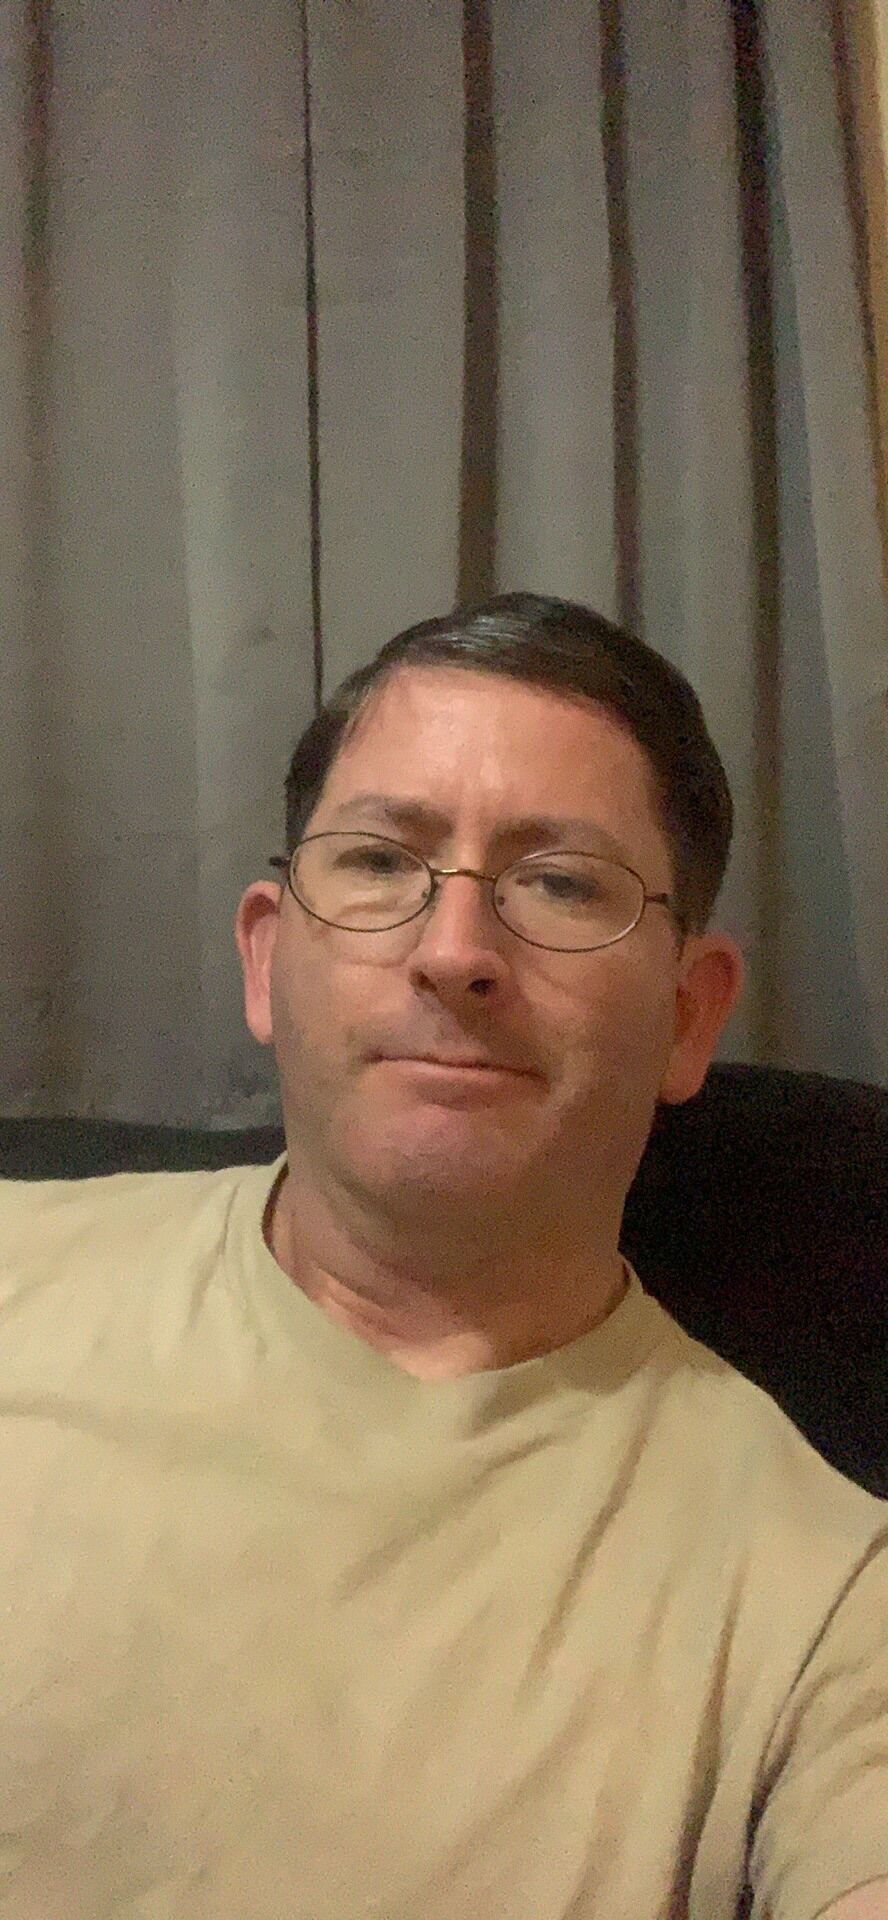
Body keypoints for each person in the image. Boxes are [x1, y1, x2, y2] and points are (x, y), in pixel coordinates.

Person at [0, 593, 886, 1920]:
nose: (456, 951)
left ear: (688, 1017)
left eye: (562, 883)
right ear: (266, 958)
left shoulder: (829, 1604)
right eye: (378, 862)